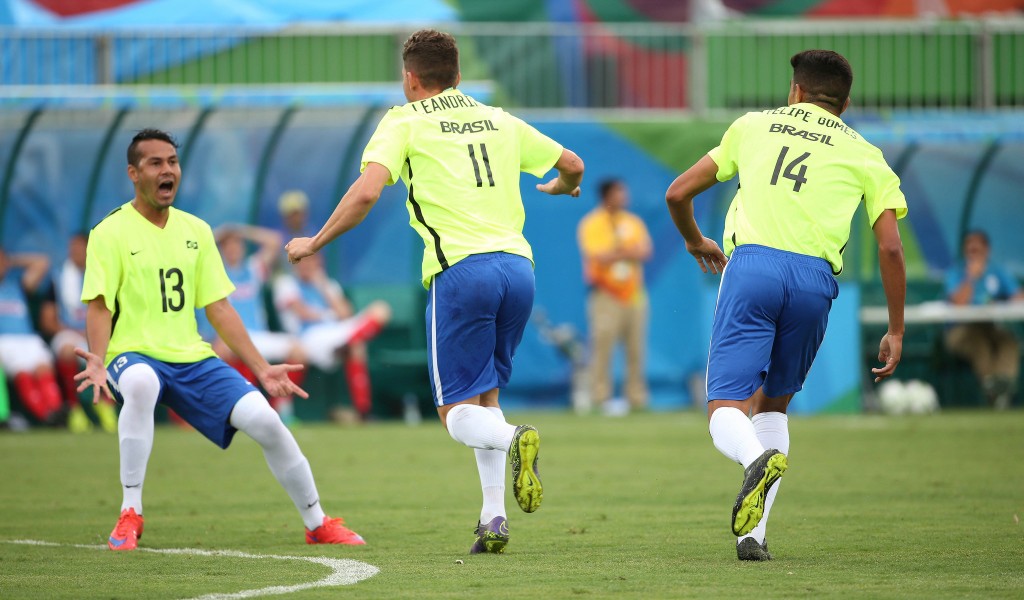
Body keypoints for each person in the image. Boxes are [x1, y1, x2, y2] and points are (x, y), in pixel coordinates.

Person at [285, 29, 584, 554]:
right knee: (486, 395)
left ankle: (515, 438)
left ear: (410, 78)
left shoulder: (404, 120)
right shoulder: (499, 119)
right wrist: (560, 187)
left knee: (455, 414)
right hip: (518, 270)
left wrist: (315, 241)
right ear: (459, 75)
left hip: (462, 272)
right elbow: (573, 165)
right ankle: (494, 519)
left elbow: (367, 192)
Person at [665, 50, 907, 561]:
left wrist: (694, 241)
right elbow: (889, 247)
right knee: (773, 405)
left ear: (795, 91)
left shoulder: (753, 127)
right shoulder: (866, 153)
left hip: (752, 268)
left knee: (723, 410)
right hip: (816, 281)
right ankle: (752, 537)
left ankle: (754, 461)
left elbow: (677, 193)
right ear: (844, 103)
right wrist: (897, 328)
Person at [74, 128, 365, 551]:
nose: (167, 169)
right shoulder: (109, 233)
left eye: (172, 161)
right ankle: (130, 513)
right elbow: (99, 306)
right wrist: (98, 360)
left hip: (192, 357)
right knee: (141, 383)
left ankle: (317, 523)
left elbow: (220, 309)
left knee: (266, 420)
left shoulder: (196, 231)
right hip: (132, 354)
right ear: (133, 173)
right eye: (155, 163)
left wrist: (263, 368)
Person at [272, 252, 391, 420]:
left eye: (310, 260)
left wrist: (321, 284)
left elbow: (346, 313)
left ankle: (363, 413)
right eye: (302, 260)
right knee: (355, 345)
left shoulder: (327, 283)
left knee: (380, 310)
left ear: (318, 262)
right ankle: (348, 342)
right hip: (310, 337)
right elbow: (301, 312)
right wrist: (328, 315)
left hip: (336, 333)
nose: (306, 264)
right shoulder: (286, 283)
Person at [213, 224, 307, 423]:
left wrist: (242, 230)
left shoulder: (253, 269)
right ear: (221, 249)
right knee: (217, 351)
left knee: (298, 350)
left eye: (236, 244)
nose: (232, 249)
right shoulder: (216, 271)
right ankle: (221, 412)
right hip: (233, 337)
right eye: (227, 246)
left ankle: (282, 407)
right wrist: (218, 234)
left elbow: (274, 240)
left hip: (259, 336)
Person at [577, 178, 652, 414]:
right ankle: (600, 397)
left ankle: (636, 398)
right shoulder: (592, 223)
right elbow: (597, 256)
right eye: (620, 191)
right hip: (605, 294)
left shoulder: (633, 221)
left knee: (636, 349)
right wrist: (627, 251)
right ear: (607, 195)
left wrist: (618, 252)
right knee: (603, 346)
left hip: (633, 293)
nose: (624, 195)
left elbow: (646, 251)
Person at [39, 232, 119, 433]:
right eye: (72, 248)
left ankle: (106, 406)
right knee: (67, 349)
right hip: (71, 333)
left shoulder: (106, 274)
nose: (75, 252)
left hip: (100, 332)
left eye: (79, 248)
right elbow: (48, 320)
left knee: (116, 348)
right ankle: (75, 408)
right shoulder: (59, 278)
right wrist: (74, 330)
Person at [944, 229, 1023, 409]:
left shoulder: (996, 271)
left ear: (987, 251)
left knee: (1008, 342)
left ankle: (1003, 385)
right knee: (979, 344)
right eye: (969, 250)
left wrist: (1008, 299)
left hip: (990, 327)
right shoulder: (956, 273)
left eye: (977, 250)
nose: (973, 255)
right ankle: (992, 389)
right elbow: (958, 304)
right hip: (960, 330)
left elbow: (1017, 296)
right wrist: (971, 278)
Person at [0, 248, 64, 426]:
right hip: (4, 341)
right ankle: (45, 415)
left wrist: (11, 260)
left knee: (43, 367)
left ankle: (57, 411)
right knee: (22, 371)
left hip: (28, 339)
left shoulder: (16, 285)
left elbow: (42, 262)